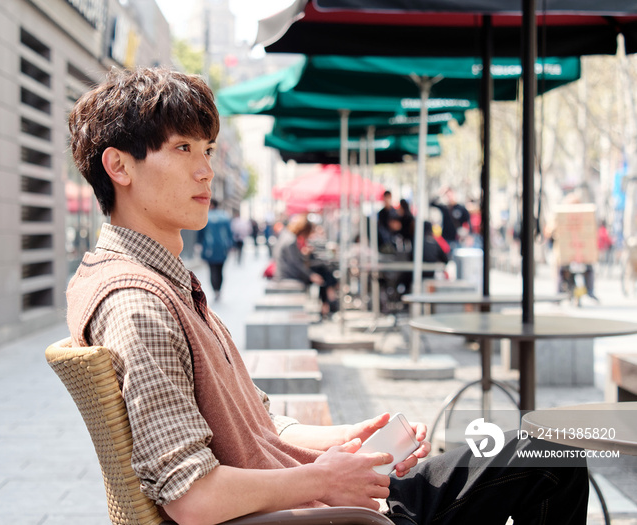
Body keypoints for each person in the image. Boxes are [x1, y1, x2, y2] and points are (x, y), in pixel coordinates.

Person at [65, 67, 588, 525]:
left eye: (207, 150)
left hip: (313, 500)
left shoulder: (157, 281)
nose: (205, 170)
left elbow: (259, 424)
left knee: (538, 453)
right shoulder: (137, 303)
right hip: (317, 516)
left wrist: (351, 442)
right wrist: (324, 481)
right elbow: (192, 497)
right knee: (550, 459)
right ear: (119, 166)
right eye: (183, 149)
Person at [273, 214, 338, 318]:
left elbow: (294, 260)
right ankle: (329, 302)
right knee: (322, 273)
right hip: (289, 274)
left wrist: (304, 255)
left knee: (322, 268)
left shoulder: (287, 235)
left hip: (288, 271)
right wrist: (311, 275)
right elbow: (296, 264)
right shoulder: (291, 240)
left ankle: (327, 303)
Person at [196, 199, 233, 300]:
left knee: (212, 270)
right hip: (222, 249)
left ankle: (215, 290)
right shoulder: (225, 217)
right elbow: (230, 233)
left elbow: (200, 234)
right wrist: (230, 246)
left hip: (209, 250)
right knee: (220, 270)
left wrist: (199, 245)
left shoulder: (206, 217)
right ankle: (219, 290)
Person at [430, 187, 470, 252]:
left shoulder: (461, 208)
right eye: (447, 195)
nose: (449, 197)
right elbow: (431, 203)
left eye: (450, 195)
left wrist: (468, 235)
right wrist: (440, 193)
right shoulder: (444, 208)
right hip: (446, 238)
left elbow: (467, 222)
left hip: (458, 239)